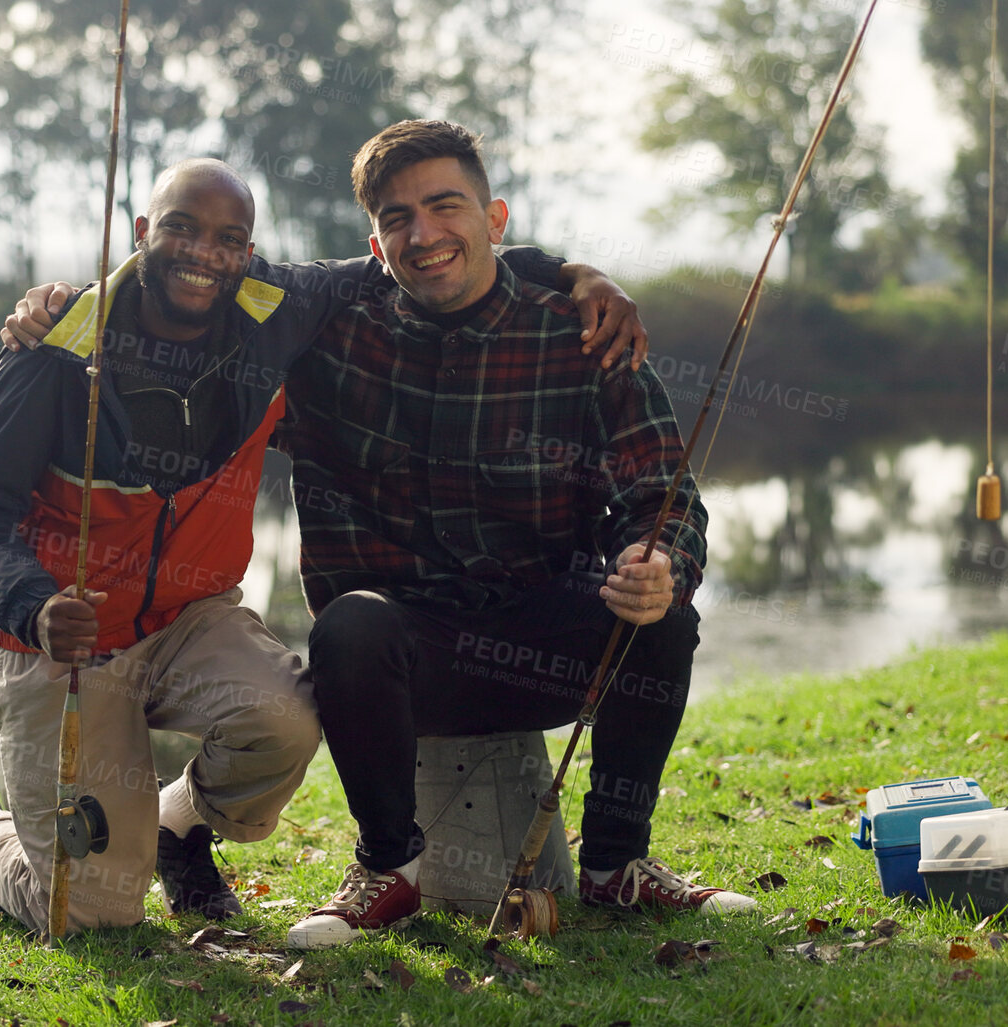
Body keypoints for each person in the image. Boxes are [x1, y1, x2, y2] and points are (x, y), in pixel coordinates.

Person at [0, 157, 644, 937]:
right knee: (90, 915)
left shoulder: (276, 307)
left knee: (290, 718)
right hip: (63, 644)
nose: (204, 253)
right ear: (142, 233)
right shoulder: (57, 348)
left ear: (248, 253)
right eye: (180, 228)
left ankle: (175, 822)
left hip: (188, 619)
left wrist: (576, 273)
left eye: (228, 238)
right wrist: (34, 606)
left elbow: (424, 254)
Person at [274, 120, 756, 950]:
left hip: (549, 647)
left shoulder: (584, 331)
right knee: (349, 620)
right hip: (400, 665)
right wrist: (62, 312)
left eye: (444, 206)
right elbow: (200, 287)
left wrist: (656, 558)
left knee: (661, 611)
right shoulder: (325, 330)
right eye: (397, 218)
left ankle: (616, 863)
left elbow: (662, 495)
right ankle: (388, 868)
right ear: (373, 240)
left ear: (494, 219)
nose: (422, 234)